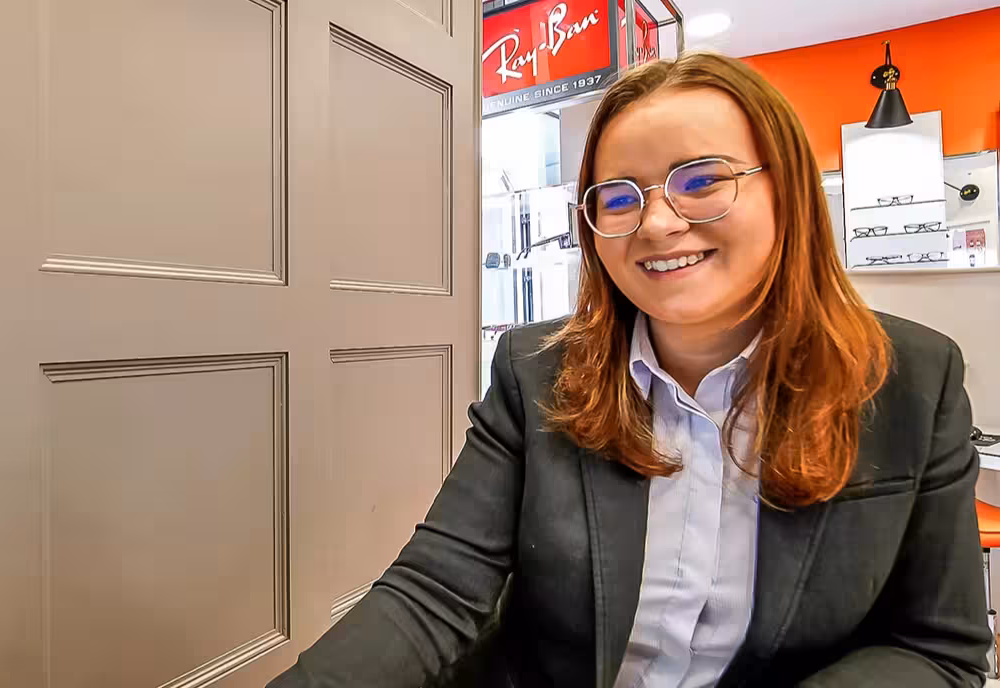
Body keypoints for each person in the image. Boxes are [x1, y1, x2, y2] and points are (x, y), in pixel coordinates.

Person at [268, 53, 991, 687]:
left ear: (790, 193)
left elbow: (935, 648)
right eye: (617, 197)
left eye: (702, 180)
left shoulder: (913, 380)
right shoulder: (535, 372)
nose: (655, 223)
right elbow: (435, 591)